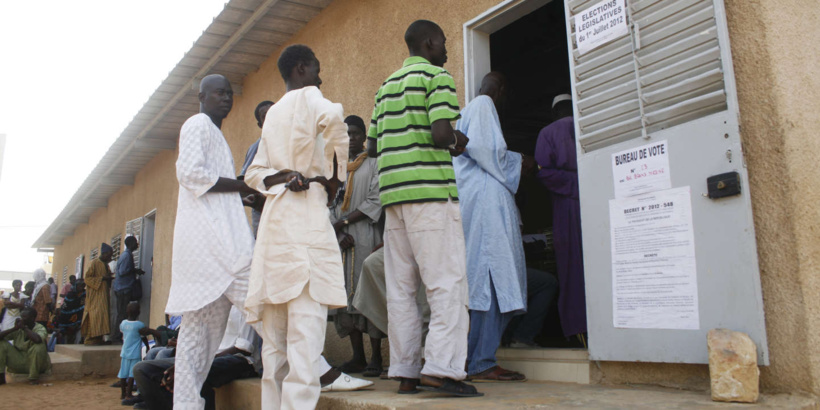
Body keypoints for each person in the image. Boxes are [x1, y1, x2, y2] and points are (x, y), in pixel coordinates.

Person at [367, 20, 479, 397]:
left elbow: (369, 148)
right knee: (446, 283)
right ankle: (443, 369)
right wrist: (459, 140)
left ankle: (405, 372)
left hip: (393, 201)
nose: (447, 49)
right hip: (430, 196)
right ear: (429, 43)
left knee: (400, 291)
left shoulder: (384, 88)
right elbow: (442, 133)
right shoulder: (437, 76)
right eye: (444, 42)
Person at [244, 44, 349, 409]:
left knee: (275, 348)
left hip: (274, 232)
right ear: (302, 69)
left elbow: (253, 174)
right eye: (317, 66)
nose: (320, 74)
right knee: (305, 338)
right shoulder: (310, 94)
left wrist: (281, 176)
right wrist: (337, 176)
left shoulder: (271, 115)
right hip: (305, 225)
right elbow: (336, 118)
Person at [166, 73, 260, 409]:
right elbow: (190, 174)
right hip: (219, 253)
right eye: (219, 92)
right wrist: (242, 186)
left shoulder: (214, 133)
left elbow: (210, 193)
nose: (226, 98)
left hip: (212, 258)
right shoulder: (197, 123)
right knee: (269, 309)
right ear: (202, 96)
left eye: (229, 93)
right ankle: (317, 371)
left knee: (196, 347)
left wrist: (240, 198)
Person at [453, 72, 529, 382]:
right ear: (500, 89)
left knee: (491, 279)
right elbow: (487, 151)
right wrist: (520, 160)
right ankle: (481, 360)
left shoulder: (465, 114)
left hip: (482, 203)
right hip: (486, 206)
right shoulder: (483, 104)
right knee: (490, 279)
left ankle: (477, 357)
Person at [329, 114, 385, 376]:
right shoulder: (337, 168)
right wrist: (337, 232)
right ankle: (357, 357)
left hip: (366, 235)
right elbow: (328, 203)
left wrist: (343, 223)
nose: (350, 138)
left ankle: (376, 357)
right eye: (346, 134)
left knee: (368, 294)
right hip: (340, 242)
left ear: (364, 137)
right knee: (344, 296)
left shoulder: (374, 164)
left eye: (355, 133)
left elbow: (376, 200)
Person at [534, 94, 587, 339]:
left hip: (567, 205)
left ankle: (579, 330)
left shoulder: (548, 132)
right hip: (595, 198)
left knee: (571, 265)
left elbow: (543, 172)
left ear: (554, 112)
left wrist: (573, 186)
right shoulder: (588, 124)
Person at [239, 100, 275, 238]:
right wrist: (260, 197)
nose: (271, 118)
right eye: (266, 116)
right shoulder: (257, 147)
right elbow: (244, 185)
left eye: (274, 112)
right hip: (265, 217)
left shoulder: (287, 142)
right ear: (260, 124)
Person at [119, 302, 160, 404]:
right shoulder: (139, 325)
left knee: (123, 373)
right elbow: (143, 337)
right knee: (132, 374)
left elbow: (123, 333)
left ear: (127, 311)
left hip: (124, 352)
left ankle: (123, 393)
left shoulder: (123, 323)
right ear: (138, 312)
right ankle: (129, 394)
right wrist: (146, 347)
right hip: (134, 353)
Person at [0, 308, 51, 385]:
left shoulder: (40, 328)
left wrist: (24, 328)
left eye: (24, 317)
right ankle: (1, 377)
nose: (22, 319)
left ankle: (33, 378)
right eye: (21, 317)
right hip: (20, 362)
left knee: (39, 346)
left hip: (37, 364)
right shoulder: (18, 329)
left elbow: (37, 340)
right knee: (2, 343)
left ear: (33, 318)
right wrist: (14, 328)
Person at [113, 236, 144, 342]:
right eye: (135, 243)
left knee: (122, 313)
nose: (137, 245)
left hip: (123, 288)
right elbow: (122, 272)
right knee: (122, 313)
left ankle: (118, 336)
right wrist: (134, 271)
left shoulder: (126, 255)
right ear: (131, 244)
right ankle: (117, 337)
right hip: (123, 288)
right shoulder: (127, 256)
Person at [81, 243, 114, 345]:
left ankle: (100, 339)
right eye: (109, 255)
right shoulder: (94, 263)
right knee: (95, 316)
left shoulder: (105, 264)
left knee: (102, 316)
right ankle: (91, 339)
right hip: (95, 296)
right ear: (104, 254)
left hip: (103, 295)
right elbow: (87, 279)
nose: (110, 257)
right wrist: (103, 279)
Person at [56, 280, 85, 344]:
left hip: (80, 320)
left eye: (83, 286)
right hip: (68, 320)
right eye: (80, 286)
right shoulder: (69, 295)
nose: (82, 287)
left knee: (79, 338)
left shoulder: (85, 294)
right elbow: (65, 309)